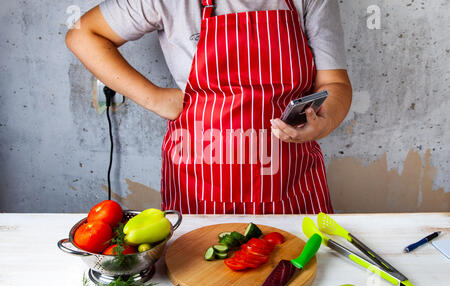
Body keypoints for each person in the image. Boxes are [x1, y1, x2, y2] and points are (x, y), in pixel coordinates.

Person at [66, 0, 352, 215]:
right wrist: (154, 98)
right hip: (200, 178)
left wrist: (324, 123)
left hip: (290, 177)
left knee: (300, 280)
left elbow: (334, 82)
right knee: (201, 278)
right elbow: (83, 34)